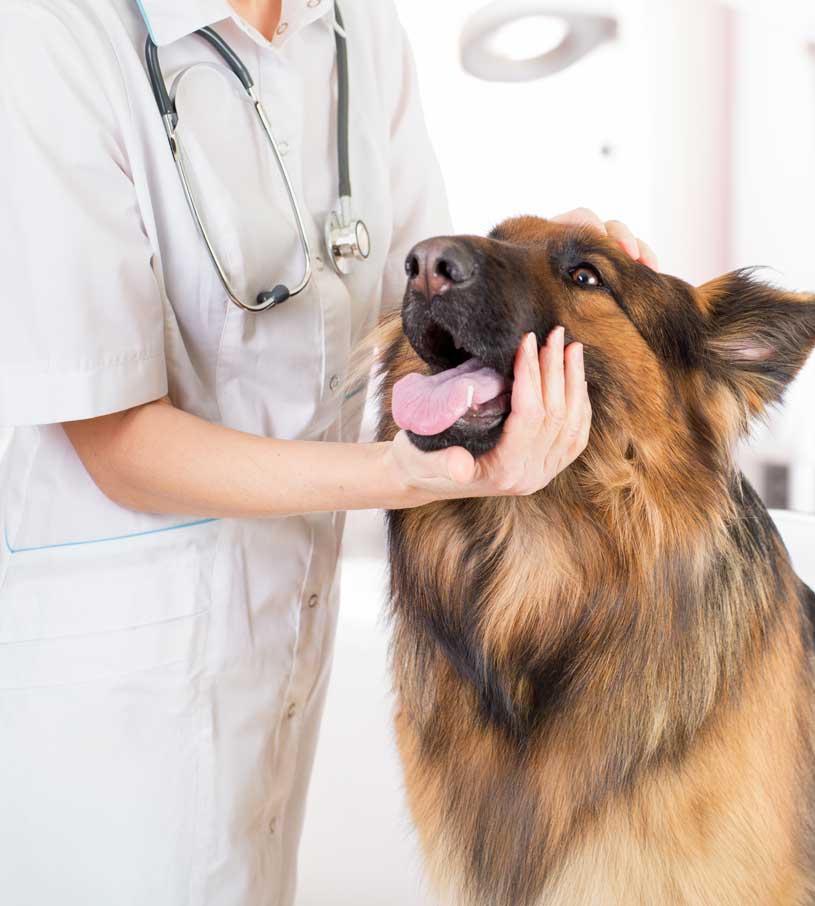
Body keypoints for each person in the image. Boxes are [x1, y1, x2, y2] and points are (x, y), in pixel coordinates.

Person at [0, 1, 658, 903]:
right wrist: (397, 475)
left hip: (285, 641)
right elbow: (116, 442)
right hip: (109, 673)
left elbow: (424, 303)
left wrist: (551, 268)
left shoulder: (359, 32)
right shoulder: (54, 34)